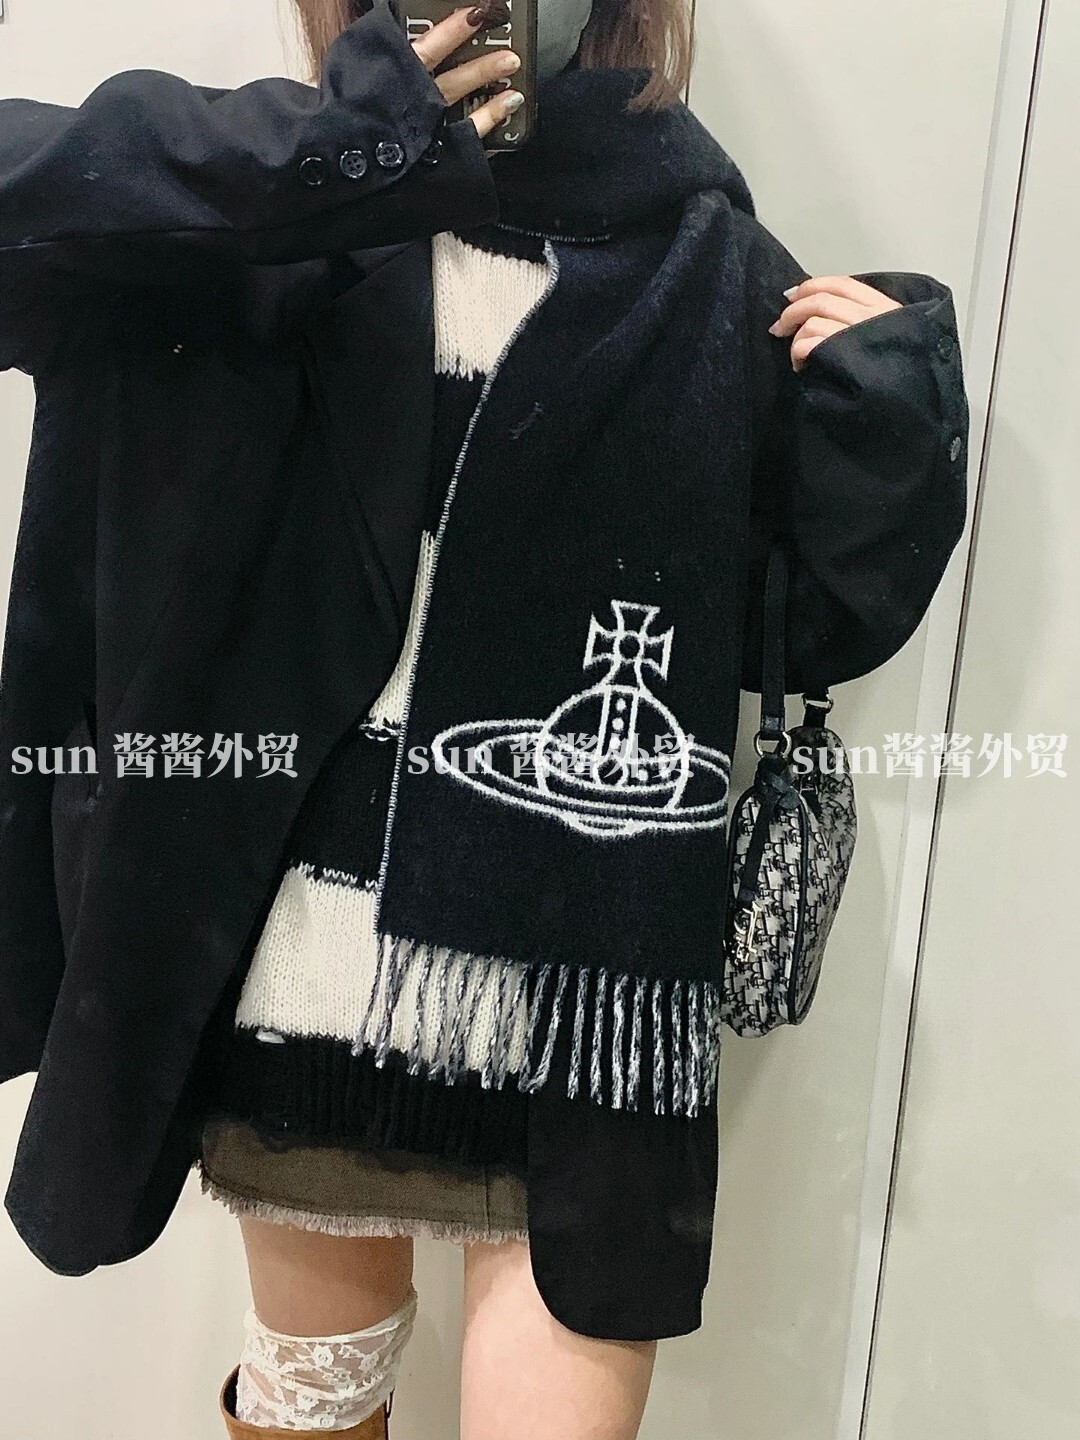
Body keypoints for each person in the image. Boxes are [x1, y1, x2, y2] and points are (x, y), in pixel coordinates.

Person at [0, 1, 970, 1437]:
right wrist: (325, 154)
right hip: (288, 962)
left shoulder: (704, 265)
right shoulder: (271, 211)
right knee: (310, 1410)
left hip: (582, 1010)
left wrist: (890, 423)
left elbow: (801, 630)